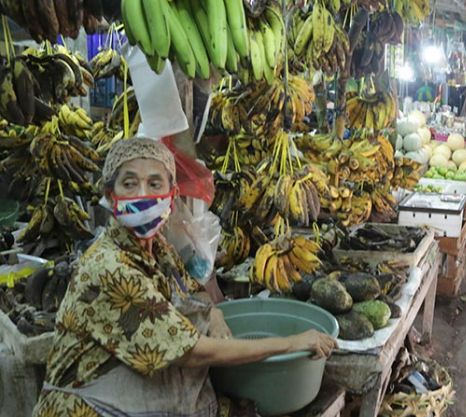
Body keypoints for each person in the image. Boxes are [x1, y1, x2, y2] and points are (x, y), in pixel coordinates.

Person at [32, 138, 337, 417]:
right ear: (111, 195)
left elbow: (193, 296)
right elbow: (192, 352)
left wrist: (214, 314)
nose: (143, 195)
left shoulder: (159, 248)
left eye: (154, 184)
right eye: (130, 184)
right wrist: (292, 343)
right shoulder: (108, 267)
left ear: (172, 194)